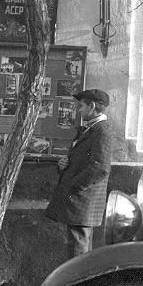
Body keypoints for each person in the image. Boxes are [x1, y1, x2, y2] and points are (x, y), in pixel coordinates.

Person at [44, 89, 115, 257]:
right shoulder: (92, 129)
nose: (79, 110)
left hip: (82, 198)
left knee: (78, 247)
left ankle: (77, 283)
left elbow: (100, 168)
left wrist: (72, 185)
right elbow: (84, 160)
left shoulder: (101, 131)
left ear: (91, 106)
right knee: (79, 246)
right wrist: (64, 164)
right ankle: (80, 282)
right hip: (80, 197)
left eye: (81, 106)